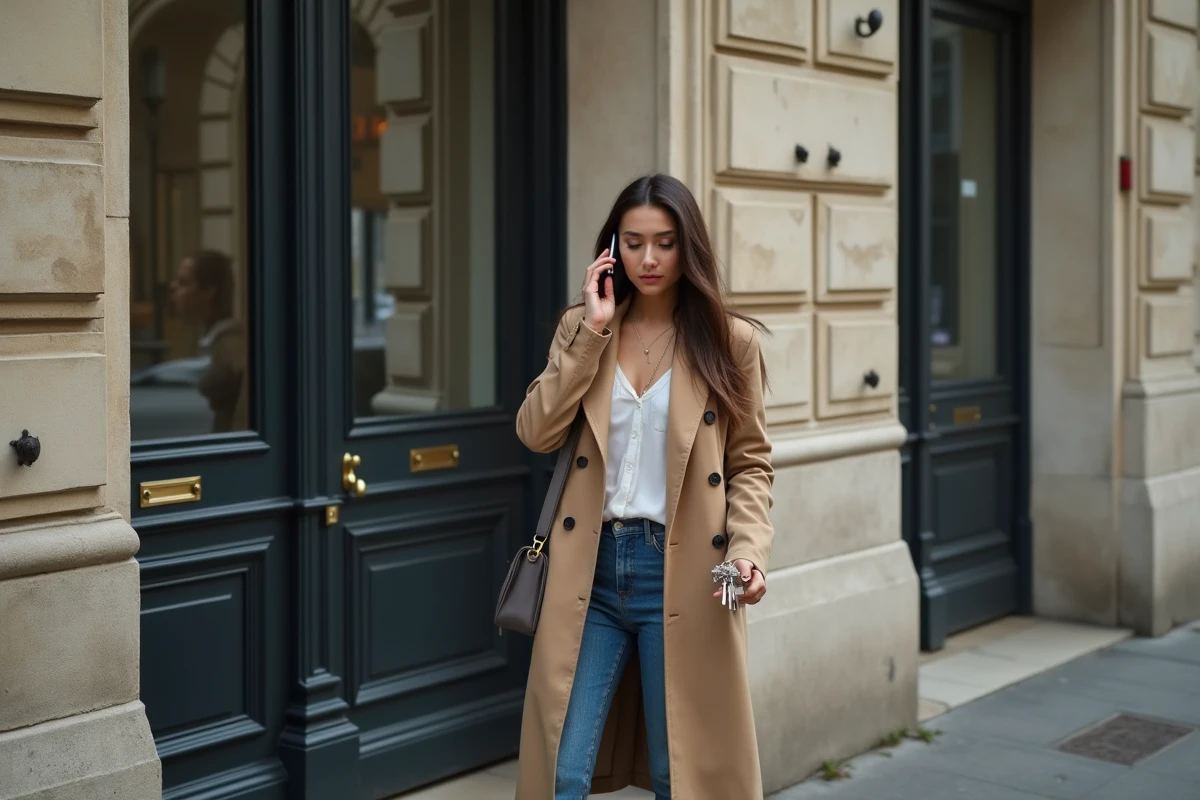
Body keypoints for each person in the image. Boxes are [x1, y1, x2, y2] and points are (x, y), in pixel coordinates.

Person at [514, 173, 775, 799]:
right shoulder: (584, 328)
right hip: (592, 573)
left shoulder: (728, 340)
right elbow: (536, 431)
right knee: (561, 771)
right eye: (633, 243)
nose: (649, 259)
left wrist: (748, 552)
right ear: (611, 249)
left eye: (665, 243)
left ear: (689, 248)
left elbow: (750, 464)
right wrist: (591, 333)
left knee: (680, 774)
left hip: (683, 573)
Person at [168, 249, 248, 433]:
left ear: (209, 291)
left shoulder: (230, 345)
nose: (173, 288)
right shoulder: (215, 341)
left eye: (183, 282)